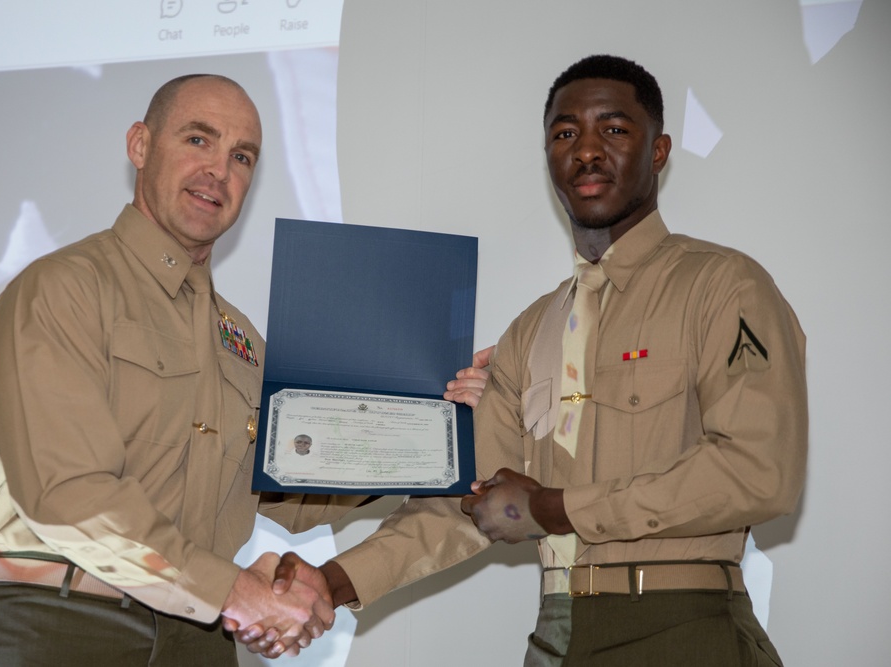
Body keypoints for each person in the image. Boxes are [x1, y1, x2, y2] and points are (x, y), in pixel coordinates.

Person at [258, 55, 808, 665]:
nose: (588, 151)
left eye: (615, 130)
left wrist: (553, 507)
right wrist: (330, 584)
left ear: (659, 151)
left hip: (683, 627)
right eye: (566, 133)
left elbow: (759, 472)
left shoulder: (723, 286)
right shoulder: (532, 330)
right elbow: (469, 506)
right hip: (556, 635)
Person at [0, 74, 368, 666]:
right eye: (198, 140)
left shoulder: (244, 340)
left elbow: (286, 486)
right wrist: (234, 589)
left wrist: (423, 436)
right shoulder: (62, 289)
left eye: (241, 156)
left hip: (198, 639)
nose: (219, 171)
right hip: (63, 625)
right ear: (140, 146)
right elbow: (67, 492)